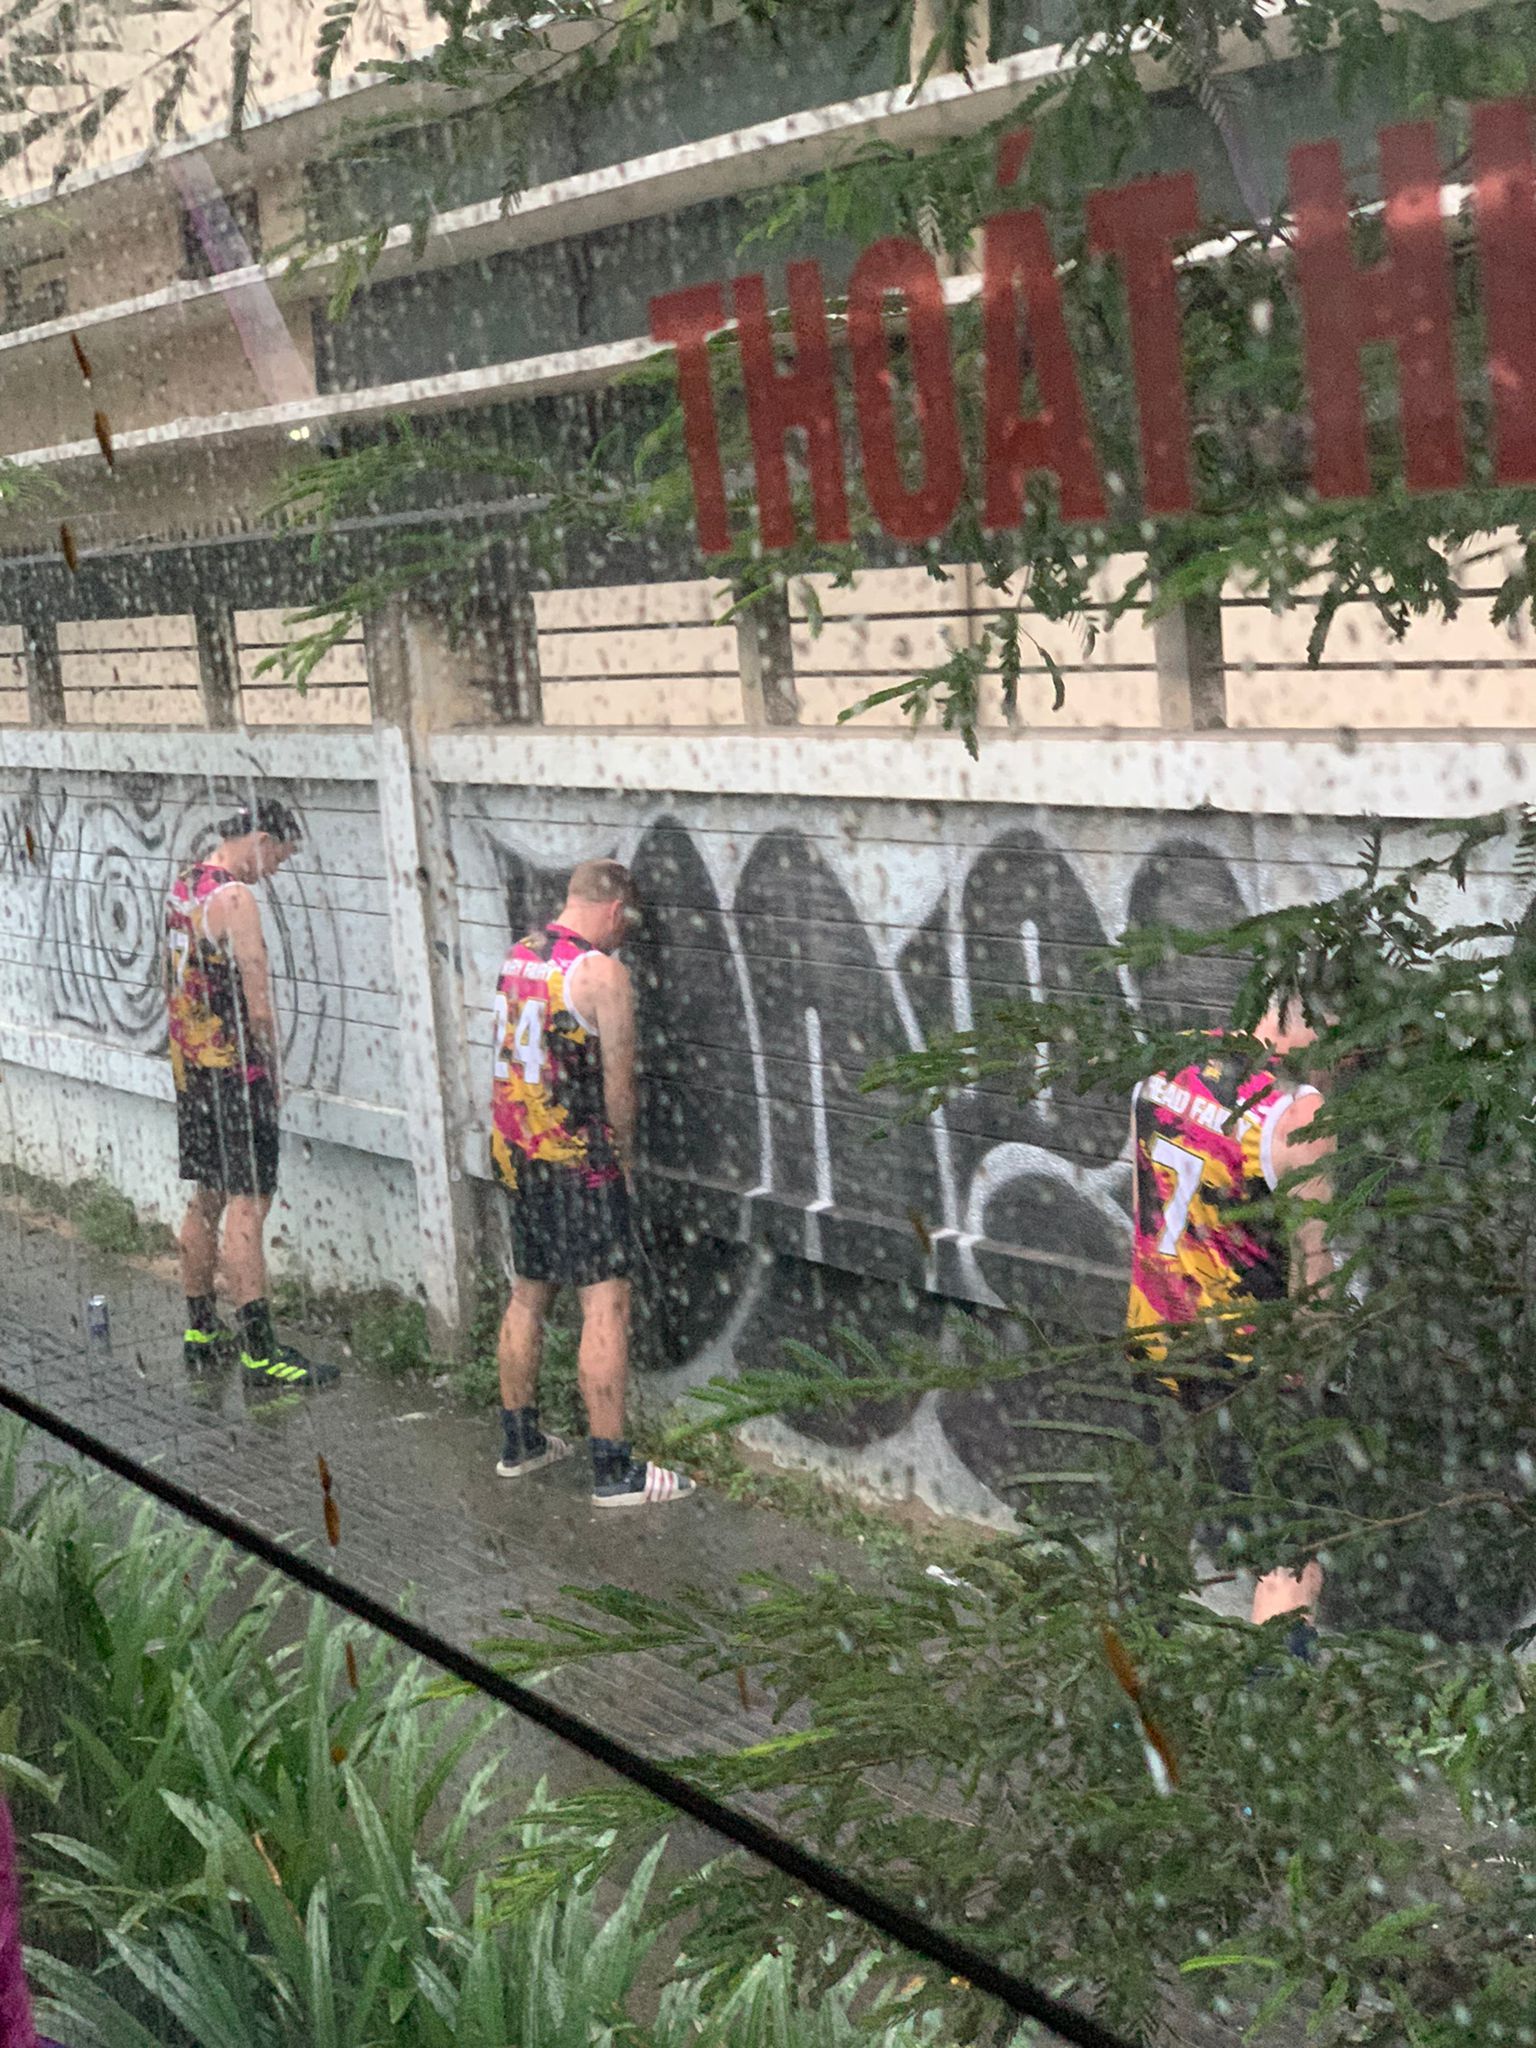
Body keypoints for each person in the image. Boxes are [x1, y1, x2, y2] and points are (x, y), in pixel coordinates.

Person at [489, 859, 694, 1508]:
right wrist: (624, 1159)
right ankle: (613, 1471)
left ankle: (519, 1443)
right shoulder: (602, 974)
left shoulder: (519, 957)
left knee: (528, 1296)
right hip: (580, 1159)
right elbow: (618, 1088)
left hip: (519, 1153)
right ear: (613, 911)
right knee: (604, 1303)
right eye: (626, 923)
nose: (625, 935)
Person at [1126, 1003, 1332, 1640]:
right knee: (1290, 1556)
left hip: (1155, 1327)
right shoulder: (1298, 1110)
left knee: (1156, 1522)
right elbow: (1312, 1273)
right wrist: (1315, 1375)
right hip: (1248, 1361)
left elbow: (1143, 1210)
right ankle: (1274, 1706)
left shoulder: (1166, 1059)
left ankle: (1135, 1706)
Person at [165, 798, 337, 1392]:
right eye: (280, 856)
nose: (277, 870)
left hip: (192, 1071)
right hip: (237, 1077)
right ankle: (262, 1354)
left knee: (206, 1196)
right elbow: (256, 997)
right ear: (260, 839)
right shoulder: (236, 899)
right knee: (248, 1203)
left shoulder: (185, 885)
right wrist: (272, 1067)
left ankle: (200, 1330)